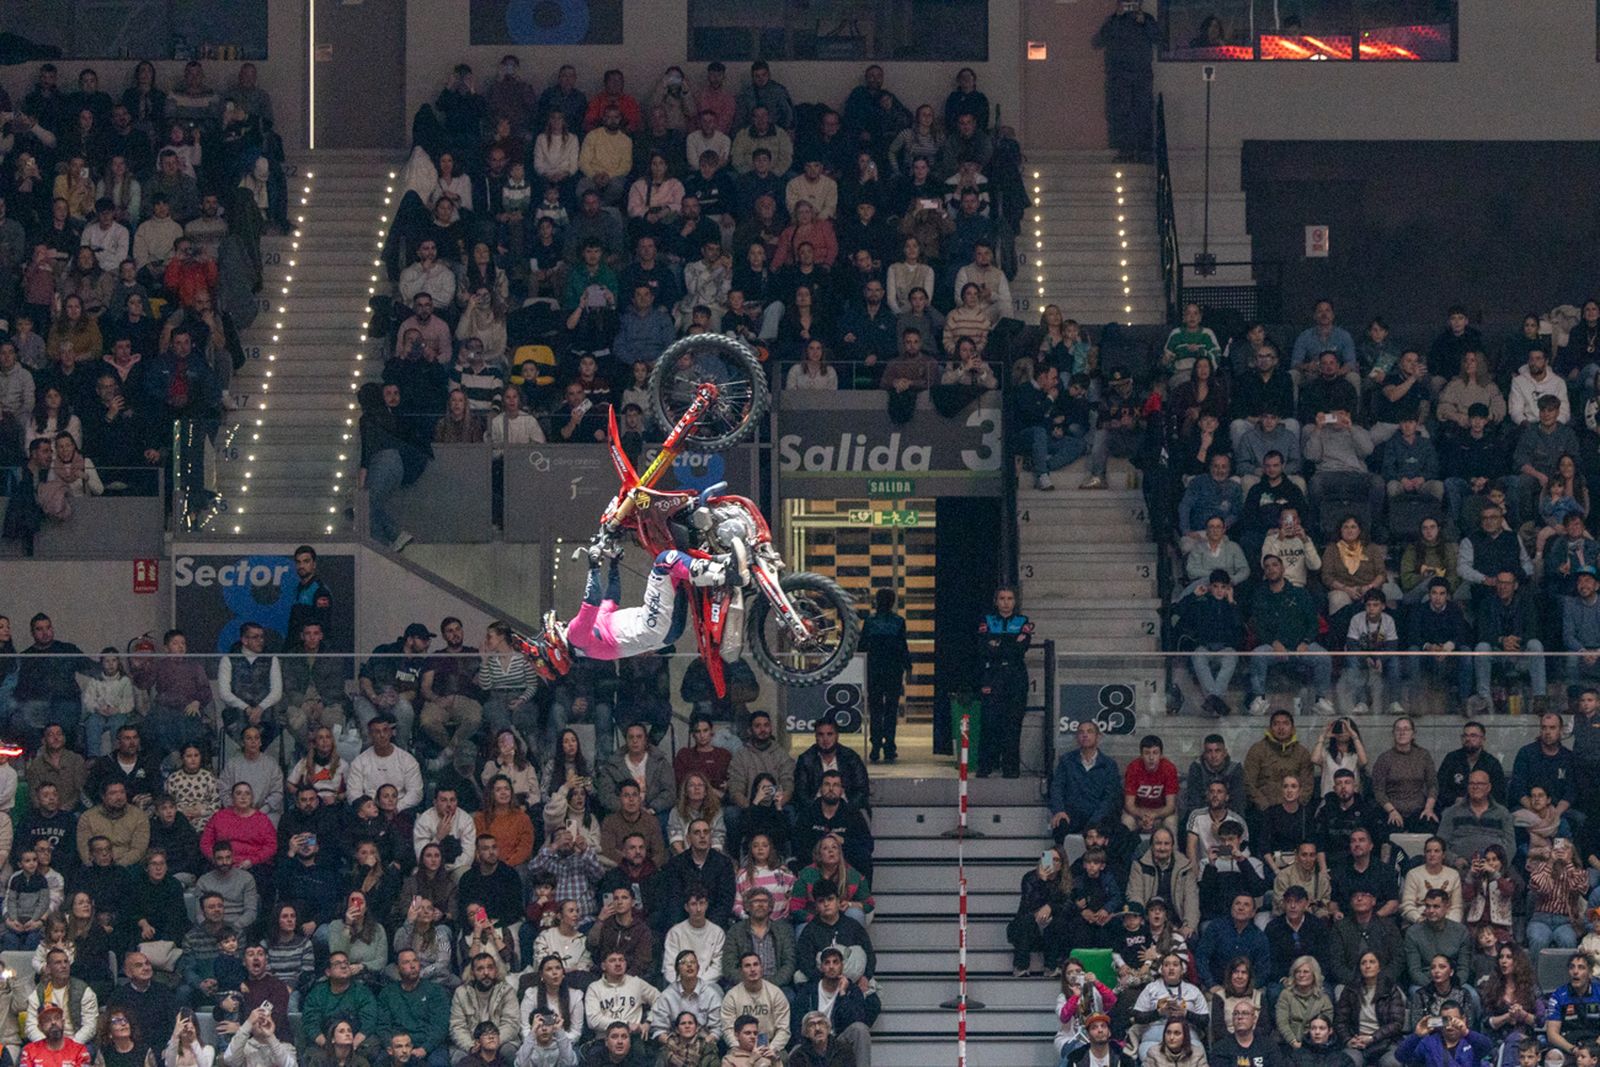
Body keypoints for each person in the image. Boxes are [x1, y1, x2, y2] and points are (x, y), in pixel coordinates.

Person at [976, 586, 1032, 779]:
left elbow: (1021, 649)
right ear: (996, 601)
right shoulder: (987, 620)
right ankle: (985, 767)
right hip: (992, 674)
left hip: (1015, 675)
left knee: (1013, 723)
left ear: (1015, 602)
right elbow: (984, 648)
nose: (1006, 602)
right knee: (990, 722)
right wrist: (1010, 644)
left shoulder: (1022, 621)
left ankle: (1011, 770)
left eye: (1009, 598)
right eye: (1002, 598)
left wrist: (997, 643)